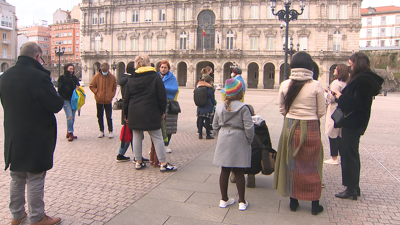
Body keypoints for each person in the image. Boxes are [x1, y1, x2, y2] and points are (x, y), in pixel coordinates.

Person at [0, 42, 64, 225]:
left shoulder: (5, 76)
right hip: (36, 135)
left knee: (17, 176)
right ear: (37, 57)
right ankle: (37, 217)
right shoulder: (38, 77)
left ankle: (17, 215)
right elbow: (56, 104)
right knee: (35, 176)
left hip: (14, 134)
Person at [273, 52, 326, 215]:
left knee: (292, 163)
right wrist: (308, 116)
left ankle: (293, 201)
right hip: (310, 126)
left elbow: (282, 109)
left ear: (292, 67)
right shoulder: (316, 85)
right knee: (312, 164)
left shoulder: (284, 84)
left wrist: (293, 114)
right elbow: (322, 111)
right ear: (310, 67)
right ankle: (314, 204)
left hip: (290, 126)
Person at [333, 52, 383, 200]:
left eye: (351, 63)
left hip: (353, 122)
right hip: (355, 121)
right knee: (349, 153)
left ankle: (352, 188)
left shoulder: (363, 81)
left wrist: (341, 97)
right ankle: (352, 186)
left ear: (357, 63)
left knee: (349, 154)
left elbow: (358, 104)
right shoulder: (363, 79)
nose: (350, 66)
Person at [123, 54, 177, 172]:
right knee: (157, 136)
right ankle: (163, 163)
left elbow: (126, 97)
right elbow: (161, 96)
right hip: (151, 111)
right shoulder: (154, 76)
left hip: (134, 111)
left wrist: (125, 114)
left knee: (137, 136)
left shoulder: (132, 77)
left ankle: (138, 162)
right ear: (148, 62)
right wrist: (162, 111)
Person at [213, 78, 254, 211]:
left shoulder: (219, 107)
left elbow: (214, 125)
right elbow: (249, 127)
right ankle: (242, 201)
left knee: (224, 170)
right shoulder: (244, 108)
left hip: (224, 138)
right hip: (239, 138)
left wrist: (221, 135)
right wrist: (249, 140)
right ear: (239, 92)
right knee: (239, 171)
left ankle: (224, 199)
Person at [324, 64, 349, 165]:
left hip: (334, 109)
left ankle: (334, 157)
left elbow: (332, 98)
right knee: (339, 134)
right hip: (343, 110)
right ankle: (340, 156)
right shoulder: (346, 82)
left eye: (336, 69)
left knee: (332, 132)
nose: (334, 70)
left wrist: (325, 94)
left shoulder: (336, 83)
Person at [89, 62, 117, 138]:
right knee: (99, 116)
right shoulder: (96, 76)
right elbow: (92, 86)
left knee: (109, 116)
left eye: (106, 71)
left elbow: (115, 87)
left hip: (108, 100)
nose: (105, 72)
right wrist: (97, 92)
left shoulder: (112, 77)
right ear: (101, 69)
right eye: (104, 71)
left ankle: (110, 131)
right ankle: (101, 131)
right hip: (99, 100)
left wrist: (112, 94)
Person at [159, 60, 179, 153]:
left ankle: (166, 145)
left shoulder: (172, 78)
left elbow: (175, 89)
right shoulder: (156, 77)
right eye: (162, 67)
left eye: (165, 67)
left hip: (169, 103)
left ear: (168, 68)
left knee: (169, 126)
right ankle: (158, 145)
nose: (163, 69)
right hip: (158, 103)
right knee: (158, 126)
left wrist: (161, 87)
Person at [57, 63, 80, 141]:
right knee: (69, 117)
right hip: (66, 99)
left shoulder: (74, 78)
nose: (71, 70)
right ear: (66, 69)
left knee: (73, 117)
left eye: (72, 69)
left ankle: (69, 131)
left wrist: (78, 88)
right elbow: (59, 89)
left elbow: (78, 86)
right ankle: (70, 133)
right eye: (70, 69)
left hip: (73, 100)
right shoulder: (62, 78)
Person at [197, 73, 215, 139]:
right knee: (207, 120)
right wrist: (213, 104)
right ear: (210, 81)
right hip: (207, 106)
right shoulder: (210, 88)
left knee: (200, 120)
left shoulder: (199, 86)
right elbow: (212, 98)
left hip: (200, 105)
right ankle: (208, 135)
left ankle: (200, 135)